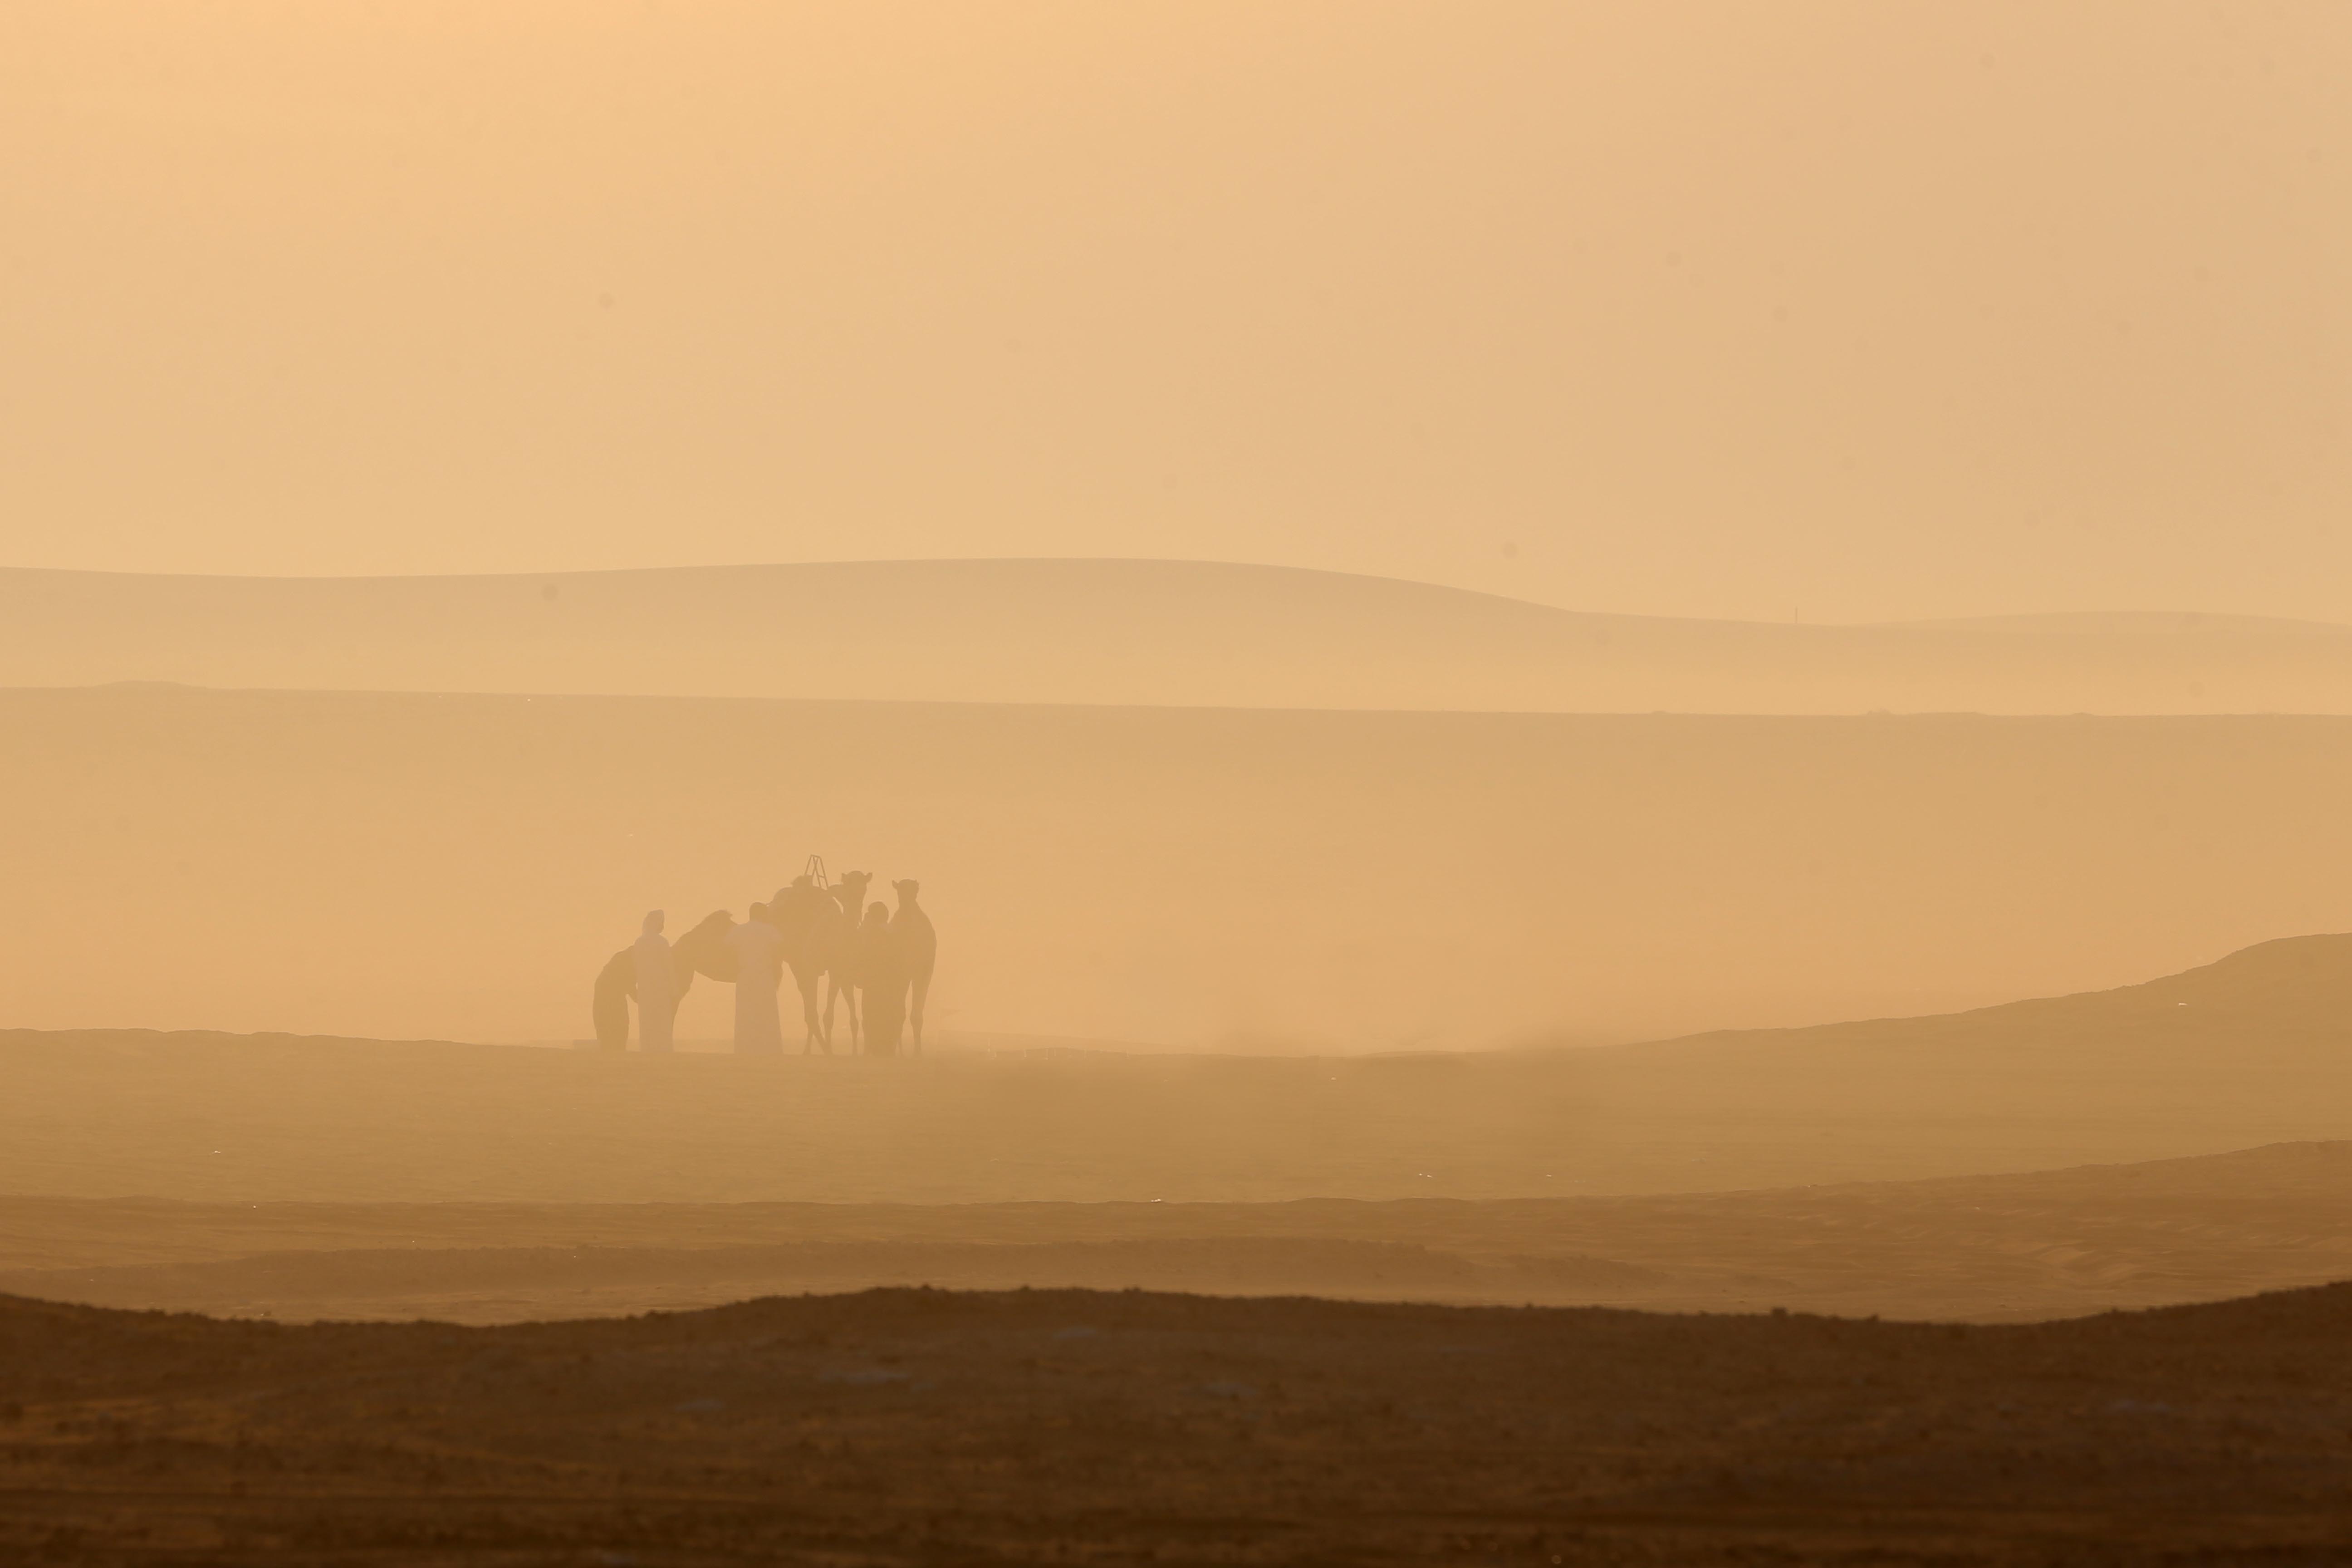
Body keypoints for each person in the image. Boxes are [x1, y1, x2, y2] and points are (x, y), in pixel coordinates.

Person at [724, 901, 788, 1054]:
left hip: (745, 975)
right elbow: (779, 949)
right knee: (767, 1012)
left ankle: (744, 1048)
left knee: (745, 1012)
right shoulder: (770, 930)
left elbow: (726, 946)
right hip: (765, 975)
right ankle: (769, 1048)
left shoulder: (739, 930)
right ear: (763, 914)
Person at [854, 900, 909, 1055]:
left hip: (874, 982)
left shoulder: (872, 933)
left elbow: (863, 954)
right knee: (890, 1015)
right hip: (892, 984)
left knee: (871, 1014)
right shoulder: (896, 932)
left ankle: (872, 1048)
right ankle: (888, 1048)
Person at [890, 879, 936, 1055]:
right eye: (902, 894)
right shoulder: (900, 920)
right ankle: (904, 1048)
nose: (904, 898)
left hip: (918, 967)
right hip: (905, 967)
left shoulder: (920, 923)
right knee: (903, 1007)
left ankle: (914, 1048)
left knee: (915, 1007)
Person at [632, 909, 677, 1053]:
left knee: (647, 1019)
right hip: (660, 986)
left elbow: (637, 966)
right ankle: (662, 1048)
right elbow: (669, 966)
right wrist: (674, 987)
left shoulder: (639, 942)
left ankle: (648, 1048)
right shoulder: (662, 942)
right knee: (661, 1019)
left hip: (645, 986)